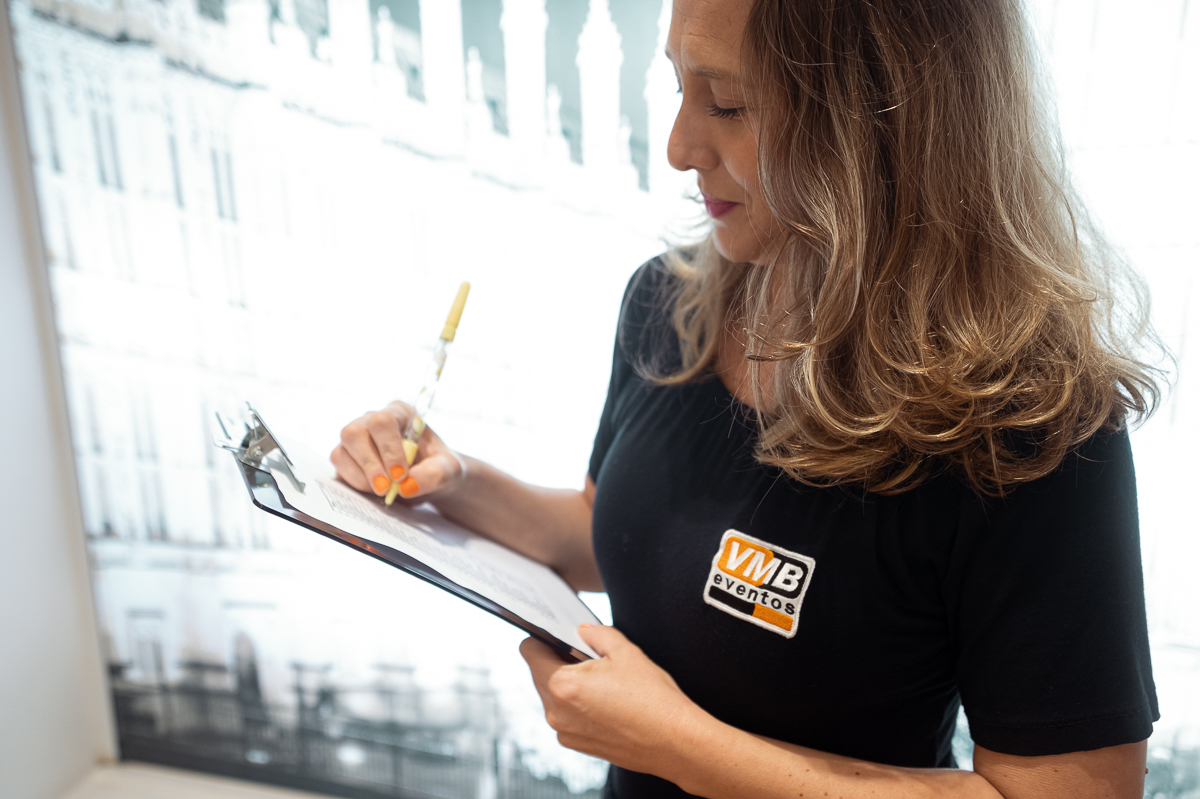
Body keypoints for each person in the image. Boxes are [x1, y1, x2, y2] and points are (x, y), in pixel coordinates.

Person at [330, 0, 1166, 796]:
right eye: (678, 86)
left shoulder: (1032, 424)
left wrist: (680, 747)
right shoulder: (668, 305)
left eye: (727, 103)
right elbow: (618, 533)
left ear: (882, 118)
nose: (678, 147)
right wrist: (454, 481)